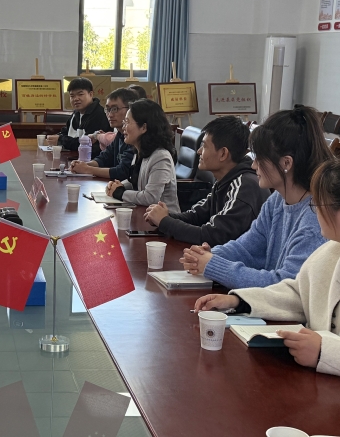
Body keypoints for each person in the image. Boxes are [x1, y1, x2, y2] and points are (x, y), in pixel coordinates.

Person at [194, 159, 340, 377]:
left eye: (319, 205)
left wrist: (324, 351)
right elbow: (298, 294)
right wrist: (239, 301)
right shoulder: (327, 252)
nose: (315, 212)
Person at [181, 106, 331, 289]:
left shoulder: (314, 220)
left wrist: (213, 265)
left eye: (260, 158)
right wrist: (207, 255)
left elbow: (285, 286)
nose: (253, 165)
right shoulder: (277, 200)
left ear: (286, 163)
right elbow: (247, 247)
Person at [144, 116, 270, 246]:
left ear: (223, 154)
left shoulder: (245, 186)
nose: (199, 151)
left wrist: (165, 221)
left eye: (204, 146)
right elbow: (196, 216)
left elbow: (212, 236)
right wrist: (164, 216)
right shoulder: (226, 178)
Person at [105, 99, 180, 212]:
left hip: (164, 220)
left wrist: (120, 193)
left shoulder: (161, 157)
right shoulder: (140, 151)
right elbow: (135, 181)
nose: (123, 127)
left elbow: (151, 198)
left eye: (127, 122)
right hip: (143, 213)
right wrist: (118, 185)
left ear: (144, 127)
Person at [70, 87, 138, 180]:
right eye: (108, 109)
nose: (110, 114)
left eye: (114, 109)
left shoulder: (135, 138)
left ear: (130, 110)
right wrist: (84, 165)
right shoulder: (120, 134)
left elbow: (123, 172)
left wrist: (87, 169)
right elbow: (105, 157)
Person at [45, 77, 111, 158]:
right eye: (72, 96)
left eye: (80, 94)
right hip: (73, 158)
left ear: (91, 94)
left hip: (90, 161)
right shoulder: (76, 113)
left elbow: (86, 143)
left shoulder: (99, 115)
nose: (76, 99)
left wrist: (60, 140)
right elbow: (66, 131)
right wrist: (56, 137)